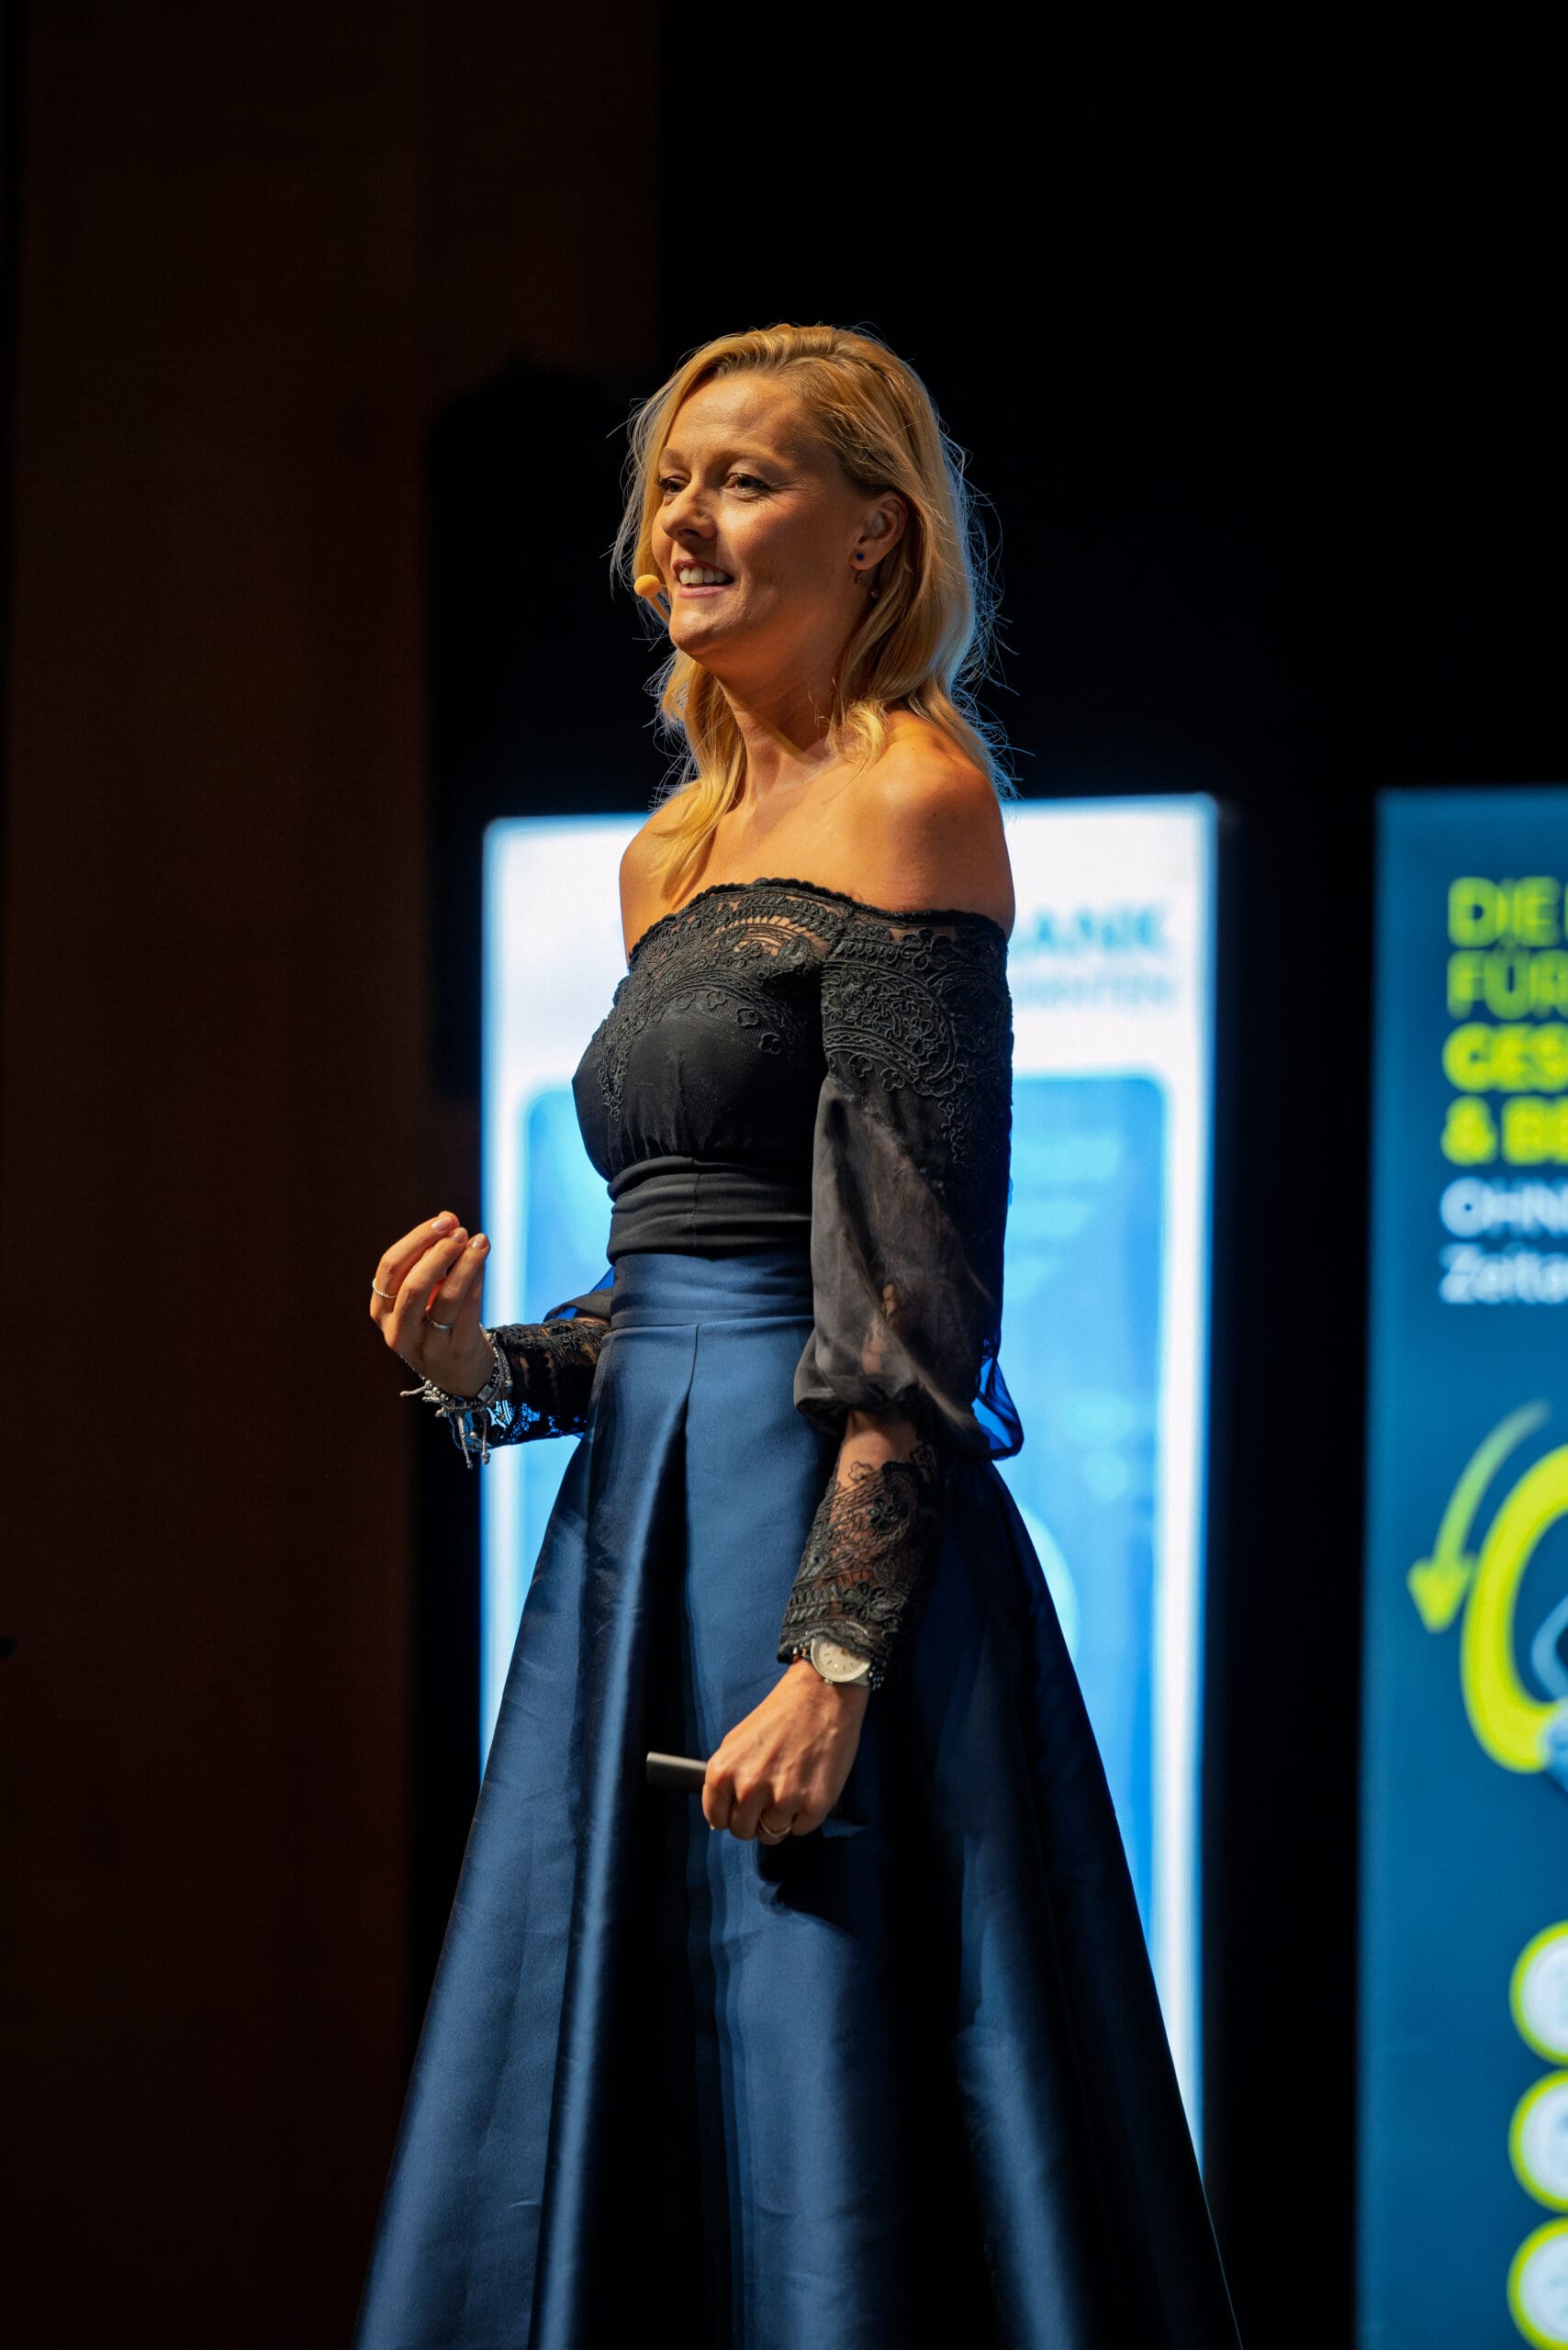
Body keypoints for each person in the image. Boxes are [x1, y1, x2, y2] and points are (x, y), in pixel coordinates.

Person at [354, 323, 1242, 2349]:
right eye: (671, 482)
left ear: (874, 533)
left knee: (828, 2089)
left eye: (743, 479)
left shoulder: (916, 799)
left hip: (815, 1544)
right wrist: (482, 1363)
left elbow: (913, 1290)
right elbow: (660, 1293)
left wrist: (833, 1661)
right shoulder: (664, 854)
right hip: (631, 1553)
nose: (685, 520)